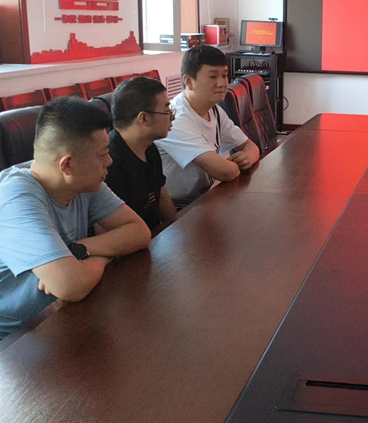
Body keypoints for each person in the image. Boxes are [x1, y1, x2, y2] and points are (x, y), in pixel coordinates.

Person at [0, 97, 151, 341]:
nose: (109, 162)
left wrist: (80, 250)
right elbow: (71, 286)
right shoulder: (14, 196)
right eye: (102, 155)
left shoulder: (84, 182)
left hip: (60, 317)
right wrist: (104, 256)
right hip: (14, 341)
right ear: (67, 165)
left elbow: (139, 232)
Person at [156, 45, 260, 208]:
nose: (222, 83)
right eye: (212, 77)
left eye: (224, 75)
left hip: (203, 197)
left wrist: (248, 158)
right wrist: (233, 165)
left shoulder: (214, 110)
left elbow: (251, 146)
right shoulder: (175, 118)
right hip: (177, 207)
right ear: (188, 81)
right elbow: (225, 172)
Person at [105, 76, 178, 232]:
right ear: (143, 118)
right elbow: (108, 228)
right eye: (166, 111)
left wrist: (178, 227)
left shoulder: (149, 147)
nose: (172, 117)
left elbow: (160, 194)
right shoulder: (109, 162)